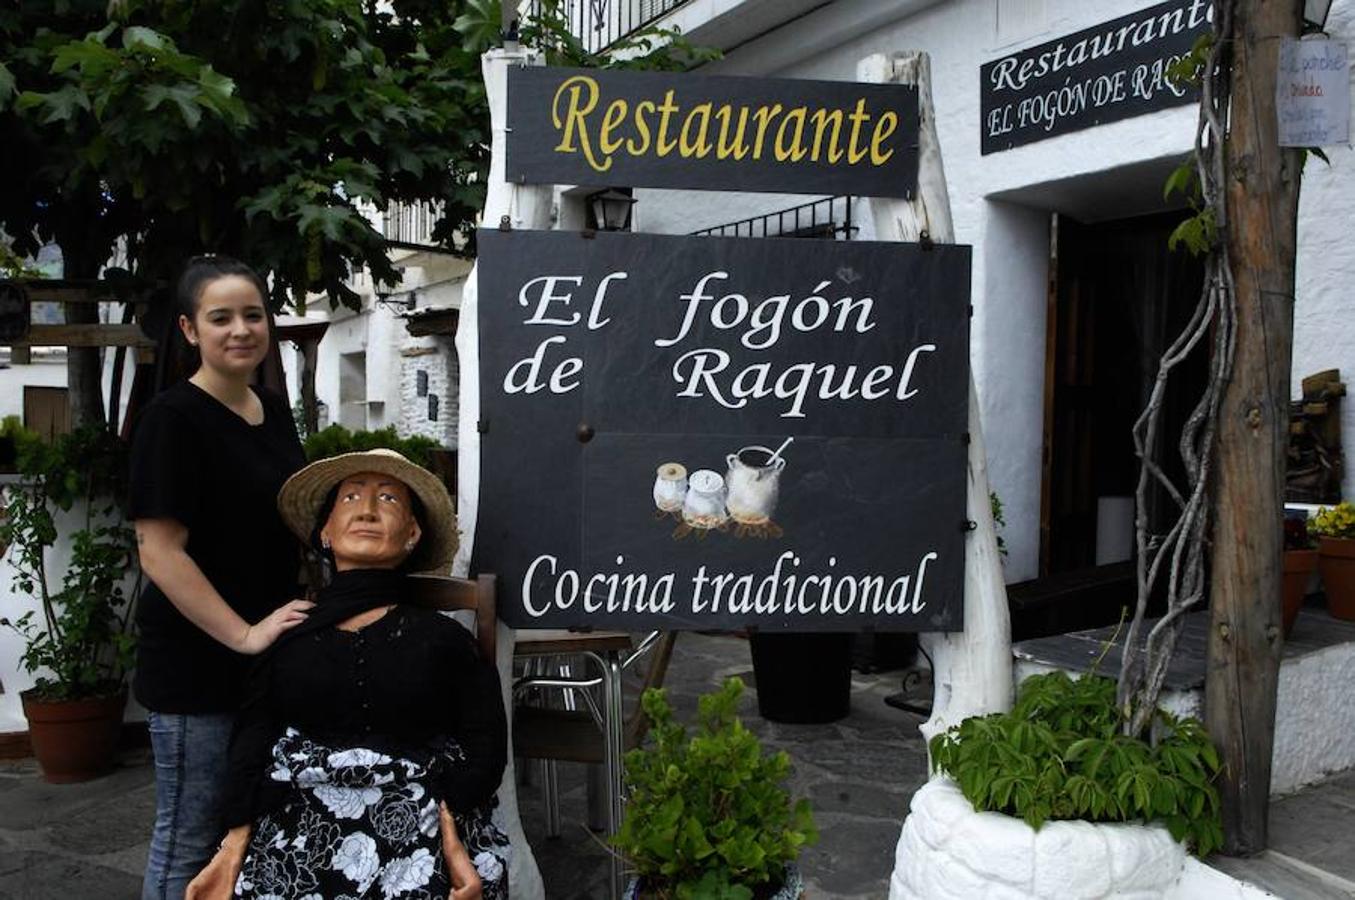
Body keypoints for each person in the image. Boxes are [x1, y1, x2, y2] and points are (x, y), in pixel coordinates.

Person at [186, 449, 509, 900]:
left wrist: (450, 823)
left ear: (412, 533)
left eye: (389, 500)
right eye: (351, 497)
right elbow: (252, 741)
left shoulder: (444, 640)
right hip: (297, 846)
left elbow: (485, 743)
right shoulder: (290, 638)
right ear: (325, 532)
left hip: (418, 839)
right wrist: (234, 840)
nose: (368, 510)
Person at [131, 256, 313, 900]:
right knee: (189, 838)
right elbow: (159, 551)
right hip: (197, 669)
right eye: (220, 317)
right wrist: (242, 634)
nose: (241, 329)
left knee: (246, 835)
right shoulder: (173, 420)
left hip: (264, 664)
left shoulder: (270, 409)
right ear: (188, 330)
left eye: (253, 314)